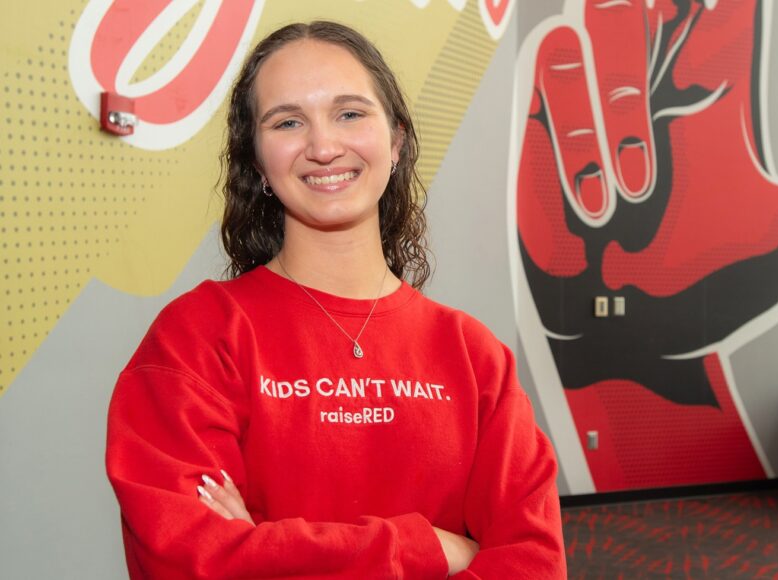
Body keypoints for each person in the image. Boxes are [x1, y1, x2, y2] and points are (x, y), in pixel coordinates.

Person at [105, 21, 566, 579]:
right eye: (288, 122)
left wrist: (268, 549)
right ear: (256, 161)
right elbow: (186, 561)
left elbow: (534, 563)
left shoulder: (474, 355)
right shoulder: (197, 338)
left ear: (395, 142)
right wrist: (433, 549)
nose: (324, 147)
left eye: (350, 113)